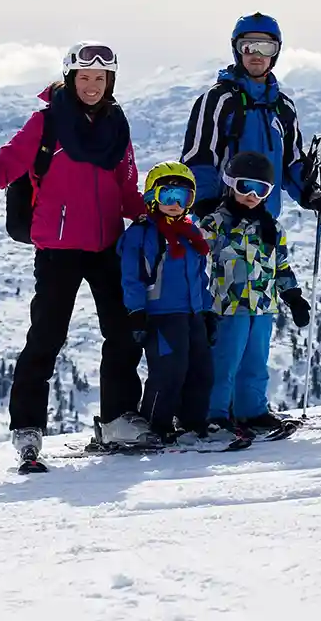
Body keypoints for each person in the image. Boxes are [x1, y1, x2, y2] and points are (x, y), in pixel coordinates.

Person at [0, 41, 158, 464]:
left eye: (100, 78)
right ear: (70, 78)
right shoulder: (46, 123)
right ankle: (27, 428)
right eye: (84, 77)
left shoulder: (117, 127)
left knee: (122, 333)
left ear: (110, 82)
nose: (91, 85)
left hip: (107, 245)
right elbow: (9, 161)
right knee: (47, 338)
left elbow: (125, 188)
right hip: (58, 249)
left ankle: (119, 417)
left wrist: (154, 214)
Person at [179, 12, 321, 222]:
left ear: (276, 53)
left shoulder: (283, 107)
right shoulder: (219, 100)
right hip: (220, 220)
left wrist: (311, 194)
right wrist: (205, 204)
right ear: (237, 51)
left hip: (264, 222)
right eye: (248, 46)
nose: (256, 54)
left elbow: (292, 161)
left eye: (266, 47)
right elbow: (199, 157)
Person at [199, 151, 311, 437]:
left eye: (260, 189)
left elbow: (281, 265)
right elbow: (198, 264)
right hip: (226, 306)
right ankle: (215, 414)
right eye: (244, 186)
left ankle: (252, 411)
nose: (251, 195)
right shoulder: (215, 224)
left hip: (263, 305)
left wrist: (293, 296)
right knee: (224, 361)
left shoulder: (271, 227)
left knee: (255, 361)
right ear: (230, 184)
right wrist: (200, 306)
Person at [116, 161, 214, 444]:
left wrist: (206, 310)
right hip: (161, 314)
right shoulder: (142, 233)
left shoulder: (190, 232)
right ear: (152, 197)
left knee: (201, 369)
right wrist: (136, 312)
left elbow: (199, 276)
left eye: (182, 197)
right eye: (167, 196)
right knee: (169, 370)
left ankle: (193, 424)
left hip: (192, 313)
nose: (174, 204)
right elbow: (132, 276)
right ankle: (156, 425)